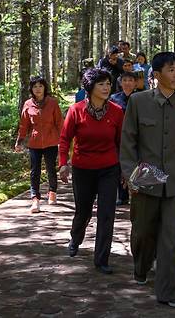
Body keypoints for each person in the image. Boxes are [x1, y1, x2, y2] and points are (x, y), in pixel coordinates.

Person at [120, 52, 175, 308]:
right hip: (145, 179)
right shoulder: (138, 102)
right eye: (171, 69)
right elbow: (128, 143)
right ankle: (141, 266)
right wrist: (133, 178)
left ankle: (170, 291)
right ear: (156, 75)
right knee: (143, 231)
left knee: (171, 239)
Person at [58, 68, 123, 274]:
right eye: (101, 84)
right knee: (83, 211)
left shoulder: (116, 111)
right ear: (90, 87)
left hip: (109, 169)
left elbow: (122, 142)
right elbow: (64, 139)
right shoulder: (76, 110)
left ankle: (101, 259)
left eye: (108, 84)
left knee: (106, 214)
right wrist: (63, 163)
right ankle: (76, 238)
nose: (106, 88)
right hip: (82, 168)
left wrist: (124, 169)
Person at [15, 76, 63, 213]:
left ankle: (52, 191)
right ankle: (35, 199)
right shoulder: (28, 104)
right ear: (31, 89)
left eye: (40, 86)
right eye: (35, 86)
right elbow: (24, 125)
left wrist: (64, 140)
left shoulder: (53, 103)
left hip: (51, 141)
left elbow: (60, 123)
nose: (38, 89)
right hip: (34, 142)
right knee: (34, 171)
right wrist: (20, 140)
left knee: (50, 168)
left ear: (45, 88)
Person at [110, 71, 138, 205]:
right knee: (119, 165)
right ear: (120, 83)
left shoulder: (140, 98)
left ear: (135, 83)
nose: (127, 83)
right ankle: (122, 195)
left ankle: (137, 193)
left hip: (136, 137)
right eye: (125, 80)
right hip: (117, 137)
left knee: (135, 165)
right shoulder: (114, 98)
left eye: (130, 80)